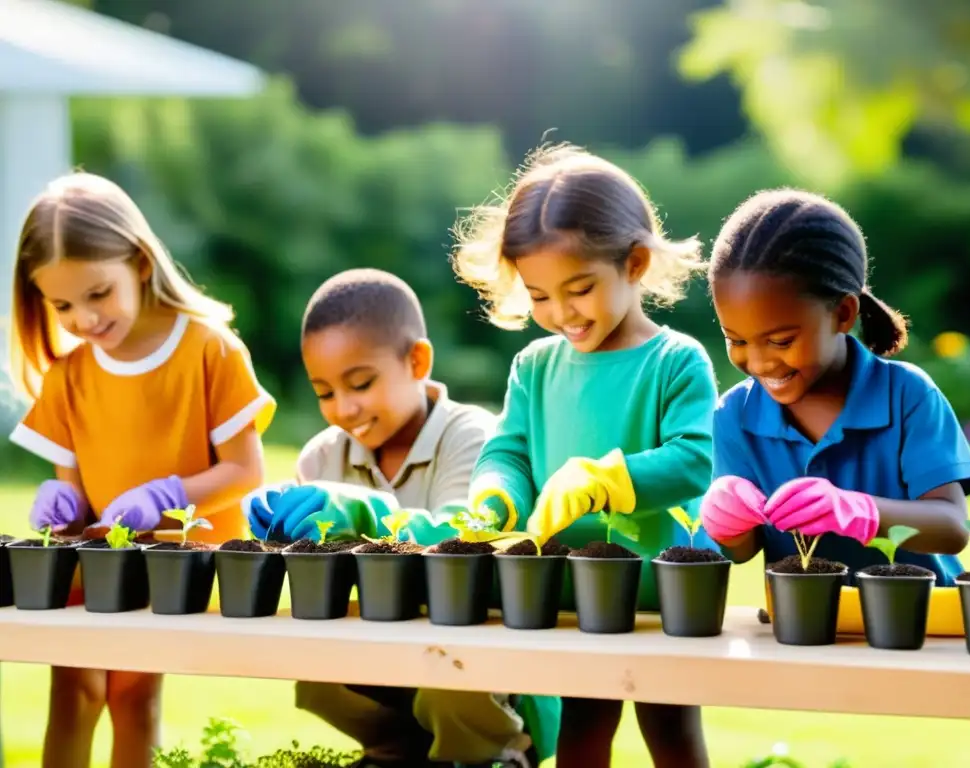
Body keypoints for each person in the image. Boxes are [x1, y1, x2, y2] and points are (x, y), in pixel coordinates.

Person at [453, 143, 718, 768]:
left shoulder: (675, 361)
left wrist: (608, 477)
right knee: (582, 734)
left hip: (660, 595)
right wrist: (497, 493)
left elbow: (693, 462)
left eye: (579, 289)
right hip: (572, 592)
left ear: (635, 263)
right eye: (539, 295)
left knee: (673, 736)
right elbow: (508, 452)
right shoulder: (535, 367)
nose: (560, 313)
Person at [7, 172, 275, 768]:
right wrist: (63, 503)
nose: (83, 318)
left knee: (132, 694)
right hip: (97, 565)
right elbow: (73, 502)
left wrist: (169, 494)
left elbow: (244, 470)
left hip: (175, 563)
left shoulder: (208, 350)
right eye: (62, 305)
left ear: (140, 262)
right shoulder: (69, 376)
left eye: (98, 293)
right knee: (73, 692)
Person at [244, 268, 543, 768]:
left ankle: (497, 755)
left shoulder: (474, 437)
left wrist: (357, 511)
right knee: (318, 679)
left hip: (480, 652)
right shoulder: (323, 457)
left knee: (449, 686)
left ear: (417, 361)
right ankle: (396, 751)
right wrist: (275, 529)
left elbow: (463, 535)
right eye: (323, 392)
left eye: (360, 383)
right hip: (389, 646)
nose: (343, 408)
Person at [699, 188, 970, 585]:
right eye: (737, 341)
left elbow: (952, 528)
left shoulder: (906, 396)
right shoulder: (735, 415)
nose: (760, 362)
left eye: (781, 341)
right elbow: (742, 551)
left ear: (843, 313)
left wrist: (855, 510)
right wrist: (727, 522)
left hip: (917, 623)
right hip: (806, 627)